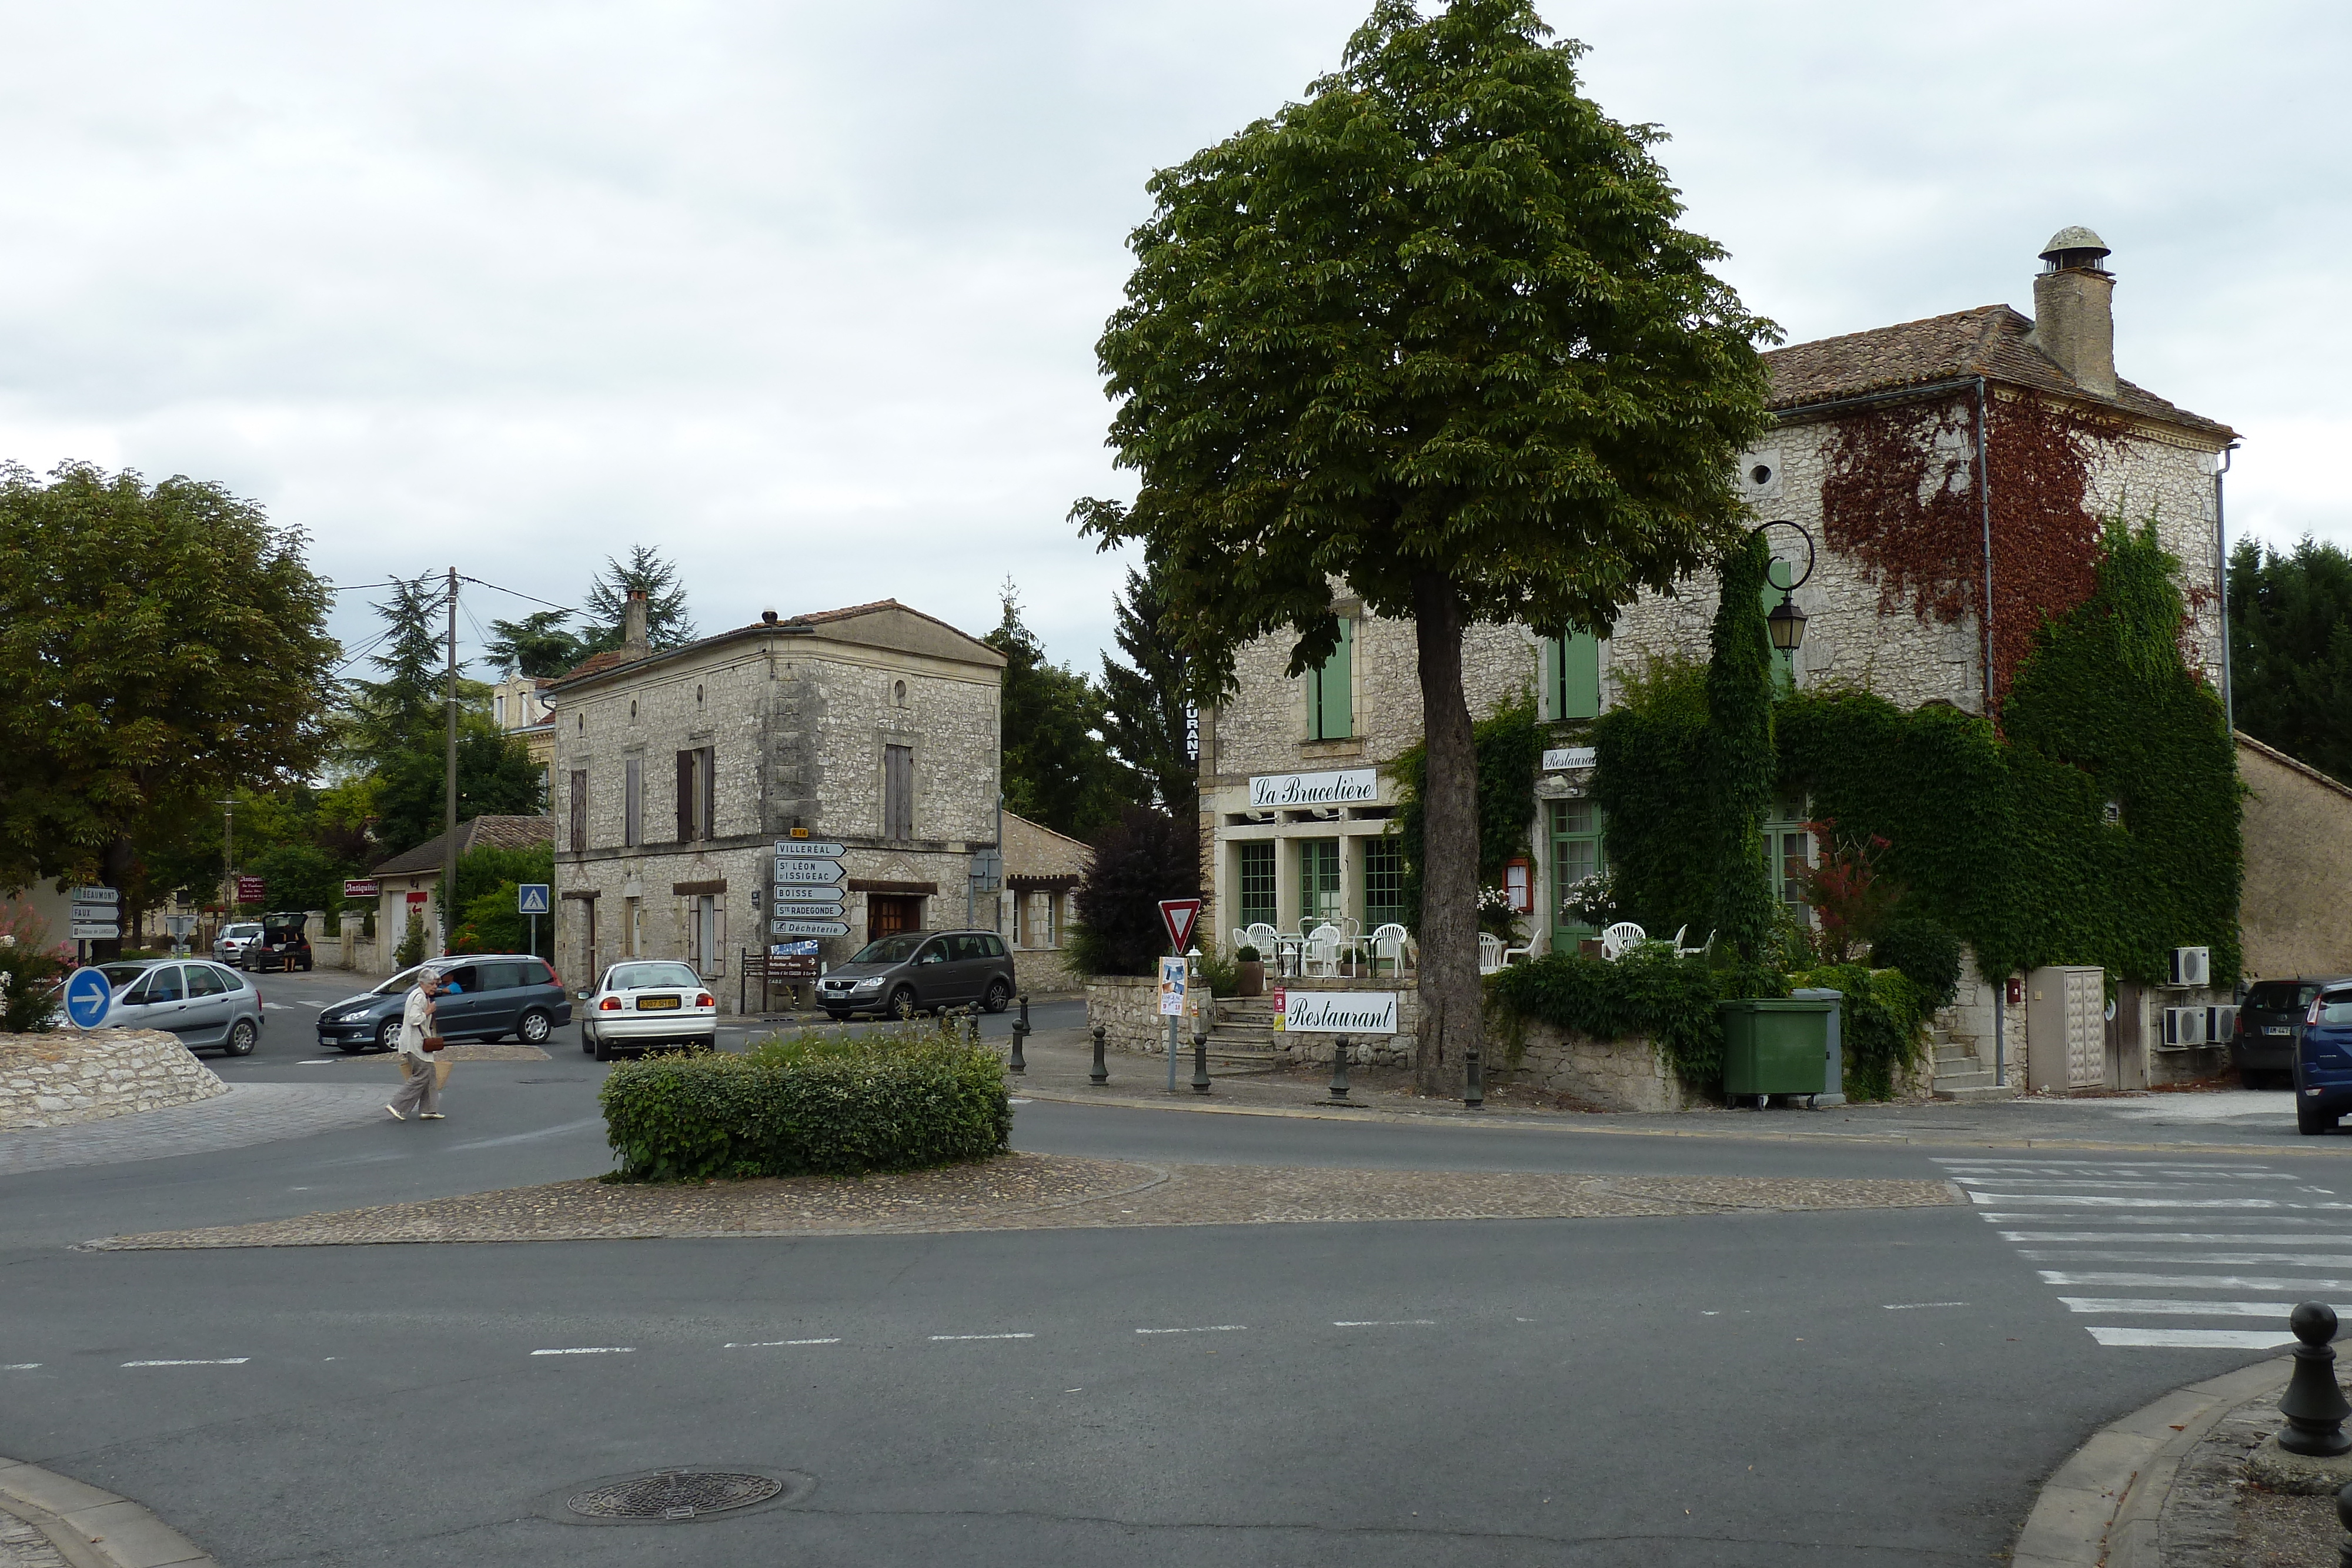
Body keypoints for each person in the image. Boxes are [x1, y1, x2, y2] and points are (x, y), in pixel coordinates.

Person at [386, 968, 447, 1121]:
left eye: (436, 984)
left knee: (430, 1075)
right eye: (432, 984)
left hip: (417, 1043)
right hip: (416, 1044)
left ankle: (429, 1110)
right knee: (421, 1076)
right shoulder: (419, 997)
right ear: (422, 983)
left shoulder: (420, 995)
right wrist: (429, 1011)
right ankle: (397, 1106)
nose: (435, 987)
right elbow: (414, 1019)